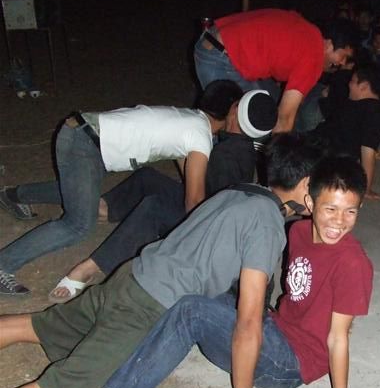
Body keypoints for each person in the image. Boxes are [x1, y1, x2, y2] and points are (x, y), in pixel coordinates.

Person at [0, 134, 322, 388]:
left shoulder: (239, 192)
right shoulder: (267, 222)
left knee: (33, 325)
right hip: (146, 307)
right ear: (306, 185)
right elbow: (248, 320)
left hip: (131, 277)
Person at [48, 156, 380, 388]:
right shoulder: (298, 231)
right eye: (331, 209)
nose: (339, 221)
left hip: (291, 363)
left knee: (192, 310)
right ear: (310, 204)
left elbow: (338, 339)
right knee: (201, 292)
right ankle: (120, 356)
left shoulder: (353, 263)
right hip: (276, 328)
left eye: (350, 212)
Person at [0, 80, 243, 296]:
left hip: (83, 134)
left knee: (81, 195)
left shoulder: (190, 120)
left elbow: (185, 163)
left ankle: (13, 195)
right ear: (233, 110)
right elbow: (194, 202)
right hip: (85, 146)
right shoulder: (200, 134)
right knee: (78, 225)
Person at [49, 89, 278, 300]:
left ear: (236, 111)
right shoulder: (240, 146)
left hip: (209, 226)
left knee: (154, 209)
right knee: (147, 178)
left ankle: (88, 268)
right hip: (208, 206)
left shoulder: (227, 155)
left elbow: (198, 205)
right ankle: (103, 209)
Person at [194, 9, 358, 133]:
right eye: (343, 56)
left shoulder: (310, 31)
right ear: (329, 44)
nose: (342, 63)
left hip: (216, 42)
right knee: (248, 120)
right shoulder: (314, 56)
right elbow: (284, 120)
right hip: (221, 58)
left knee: (263, 107)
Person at [308, 64, 380, 200]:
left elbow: (368, 150)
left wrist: (366, 188)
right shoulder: (354, 103)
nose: (349, 84)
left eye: (352, 81)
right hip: (316, 146)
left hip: (324, 156)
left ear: (363, 86)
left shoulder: (374, 111)